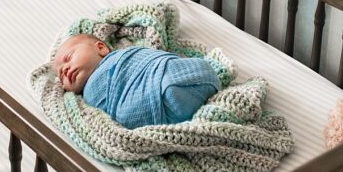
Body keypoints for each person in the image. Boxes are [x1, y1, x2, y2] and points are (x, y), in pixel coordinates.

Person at [53, 33, 221, 129]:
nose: (65, 70)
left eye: (68, 58)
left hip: (165, 71)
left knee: (187, 71)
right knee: (126, 114)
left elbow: (148, 58)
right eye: (61, 75)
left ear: (101, 48)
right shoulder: (86, 100)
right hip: (155, 103)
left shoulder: (123, 55)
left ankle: (174, 84)